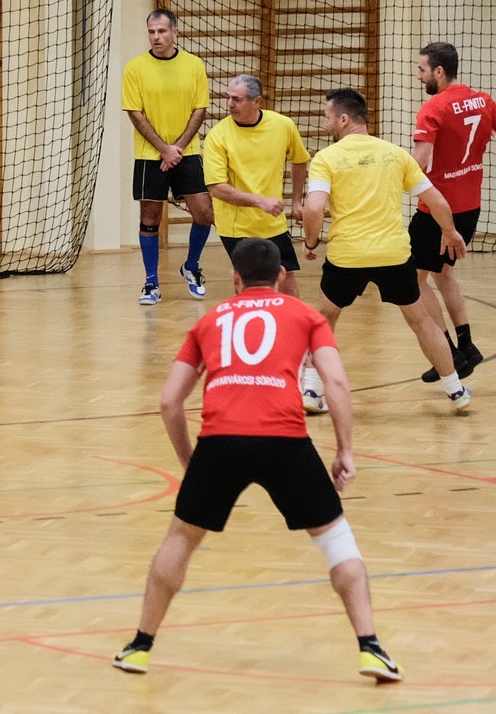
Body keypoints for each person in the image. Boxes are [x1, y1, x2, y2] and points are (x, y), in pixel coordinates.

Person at [111, 237, 402, 685]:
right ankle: (372, 650)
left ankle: (140, 645)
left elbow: (169, 402)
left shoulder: (209, 320)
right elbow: (336, 384)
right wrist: (345, 449)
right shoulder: (307, 316)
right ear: (281, 275)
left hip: (221, 442)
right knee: (336, 541)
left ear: (235, 278)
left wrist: (191, 461)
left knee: (180, 540)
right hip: (285, 441)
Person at [301, 88, 469, 412]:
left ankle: (311, 391)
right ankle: (456, 390)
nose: (325, 123)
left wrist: (310, 242)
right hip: (393, 255)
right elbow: (437, 200)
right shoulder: (395, 154)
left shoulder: (326, 158)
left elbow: (314, 208)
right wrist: (450, 232)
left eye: (327, 117)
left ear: (344, 119)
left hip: (347, 256)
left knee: (323, 319)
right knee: (421, 321)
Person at [409, 42, 496, 384]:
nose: (419, 75)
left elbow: (418, 164)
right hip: (470, 209)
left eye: (422, 69)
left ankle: (448, 354)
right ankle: (467, 346)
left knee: (413, 280)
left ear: (439, 71)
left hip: (436, 211)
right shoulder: (483, 101)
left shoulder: (433, 108)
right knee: (443, 274)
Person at [121, 8, 215, 306]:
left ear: (175, 32)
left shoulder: (194, 65)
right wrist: (163, 148)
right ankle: (151, 282)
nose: (156, 36)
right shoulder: (135, 67)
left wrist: (177, 149)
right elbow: (135, 113)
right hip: (150, 155)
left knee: (204, 213)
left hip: (187, 153)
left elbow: (200, 109)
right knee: (150, 218)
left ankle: (192, 266)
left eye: (162, 31)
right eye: (151, 31)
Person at [203, 74, 310, 297]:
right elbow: (217, 188)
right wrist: (260, 201)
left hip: (272, 222)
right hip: (237, 227)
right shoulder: (218, 135)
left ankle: (292, 320)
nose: (230, 104)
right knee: (249, 286)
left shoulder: (282, 125)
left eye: (237, 99)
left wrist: (297, 201)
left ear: (257, 102)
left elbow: (300, 159)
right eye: (228, 97)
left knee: (287, 280)